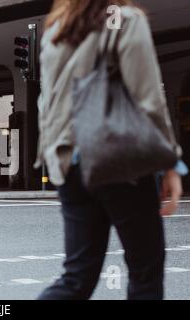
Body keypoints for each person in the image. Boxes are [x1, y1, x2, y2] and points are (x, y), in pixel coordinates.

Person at [34, 0, 188, 299]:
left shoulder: (58, 28)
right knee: (145, 271)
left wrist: (55, 159)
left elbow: (47, 102)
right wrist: (172, 161)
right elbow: (149, 98)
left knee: (77, 277)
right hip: (117, 158)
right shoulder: (124, 19)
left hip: (70, 162)